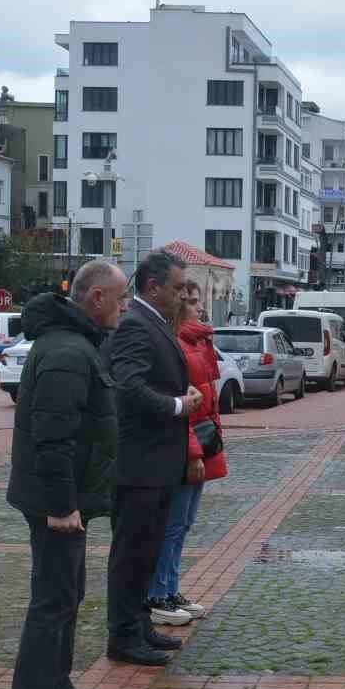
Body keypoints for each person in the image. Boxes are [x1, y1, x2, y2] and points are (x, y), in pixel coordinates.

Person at [3, 259, 126, 689]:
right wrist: (60, 505)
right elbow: (53, 438)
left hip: (63, 496)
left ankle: (56, 686)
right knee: (52, 600)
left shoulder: (75, 344)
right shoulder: (66, 352)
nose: (125, 306)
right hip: (55, 500)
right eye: (120, 297)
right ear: (96, 298)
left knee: (67, 593)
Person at [104, 250, 204, 666]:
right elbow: (128, 387)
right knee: (131, 552)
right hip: (139, 464)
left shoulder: (155, 324)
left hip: (159, 464)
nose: (183, 296)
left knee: (146, 552)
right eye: (178, 288)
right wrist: (179, 405)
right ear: (153, 287)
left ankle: (139, 625)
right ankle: (123, 636)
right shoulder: (135, 326)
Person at [147, 281, 224, 625]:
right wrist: (193, 452)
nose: (199, 307)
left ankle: (170, 588)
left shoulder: (198, 342)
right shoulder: (178, 344)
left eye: (198, 301)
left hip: (201, 444)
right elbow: (186, 406)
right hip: (187, 447)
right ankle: (158, 593)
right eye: (191, 302)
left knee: (184, 523)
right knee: (173, 525)